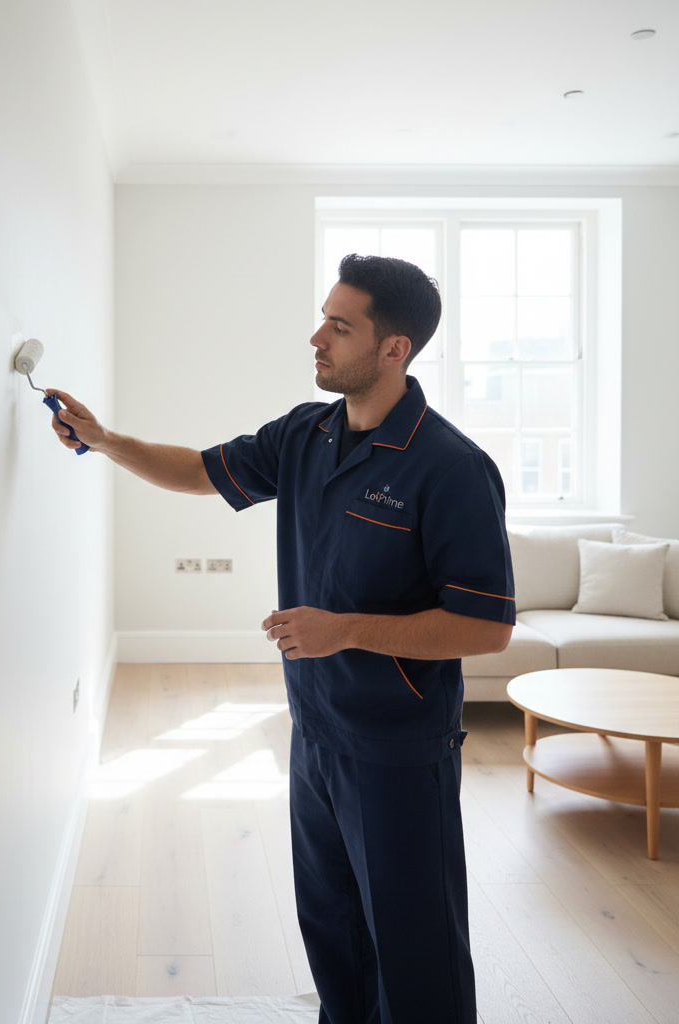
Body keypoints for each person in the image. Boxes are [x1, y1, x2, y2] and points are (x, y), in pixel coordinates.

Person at [47, 253, 515, 1024]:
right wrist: (102, 440)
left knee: (414, 946)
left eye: (339, 325)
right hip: (315, 733)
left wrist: (346, 631)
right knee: (332, 927)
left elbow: (486, 628)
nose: (316, 338)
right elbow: (202, 471)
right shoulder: (306, 432)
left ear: (393, 348)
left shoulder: (451, 467)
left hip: (398, 750)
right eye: (323, 318)